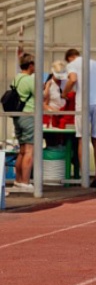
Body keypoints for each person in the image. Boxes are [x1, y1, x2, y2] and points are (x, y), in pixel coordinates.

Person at [63, 48, 96, 188]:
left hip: (83, 104)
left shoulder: (72, 64)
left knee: (82, 139)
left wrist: (65, 93)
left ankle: (84, 176)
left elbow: (73, 79)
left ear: (70, 58)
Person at [10, 53, 35, 192]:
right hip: (28, 115)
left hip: (18, 116)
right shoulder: (29, 80)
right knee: (29, 150)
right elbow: (41, 95)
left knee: (22, 150)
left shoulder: (17, 78)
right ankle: (25, 182)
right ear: (30, 65)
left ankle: (18, 181)